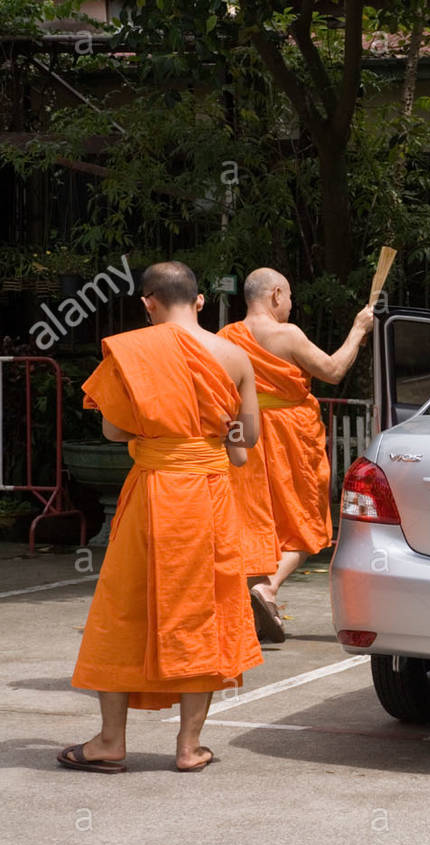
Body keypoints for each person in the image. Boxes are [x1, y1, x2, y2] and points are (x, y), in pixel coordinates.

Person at [59, 261, 263, 774]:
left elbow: (111, 431)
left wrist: (160, 432)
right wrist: (214, 436)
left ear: (148, 302)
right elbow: (248, 437)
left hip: (152, 493)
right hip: (208, 498)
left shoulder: (132, 351)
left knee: (123, 607)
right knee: (204, 610)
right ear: (197, 301)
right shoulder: (234, 355)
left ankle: (110, 742)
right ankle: (189, 747)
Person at [217, 268, 374, 641]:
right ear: (275, 295)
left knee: (253, 518)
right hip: (289, 435)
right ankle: (267, 588)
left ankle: (252, 605)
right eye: (289, 297)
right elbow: (333, 371)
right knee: (307, 523)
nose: (290, 305)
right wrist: (358, 329)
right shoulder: (286, 335)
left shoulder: (226, 337)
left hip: (243, 433)